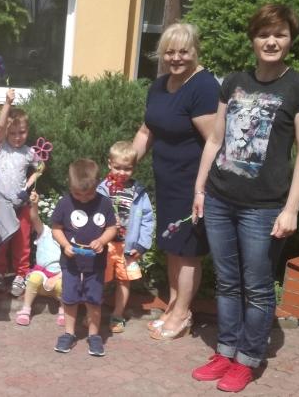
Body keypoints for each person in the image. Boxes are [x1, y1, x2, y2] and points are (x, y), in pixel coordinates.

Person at [190, 4, 299, 392]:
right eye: (264, 34)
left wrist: (291, 209)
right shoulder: (234, 81)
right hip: (219, 198)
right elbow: (215, 138)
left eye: (280, 34)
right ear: (253, 39)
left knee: (258, 288)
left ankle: (247, 359)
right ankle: (226, 351)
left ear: (290, 40)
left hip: (263, 209)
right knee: (228, 282)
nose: (271, 41)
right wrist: (200, 190)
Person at [133, 23, 220, 340]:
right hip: (167, 183)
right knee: (173, 247)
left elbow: (216, 141)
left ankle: (183, 314)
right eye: (169, 52)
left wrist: (202, 189)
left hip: (191, 184)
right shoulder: (160, 85)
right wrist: (124, 164)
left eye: (183, 51)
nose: (176, 58)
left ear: (195, 50)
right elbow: (146, 130)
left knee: (186, 250)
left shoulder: (204, 87)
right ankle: (173, 306)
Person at [51, 160, 117, 357]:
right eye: (78, 193)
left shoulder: (104, 203)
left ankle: (94, 336)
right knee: (69, 298)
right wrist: (65, 245)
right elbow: (56, 229)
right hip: (70, 262)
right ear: (69, 182)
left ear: (98, 182)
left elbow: (112, 228)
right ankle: (68, 333)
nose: (84, 198)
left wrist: (102, 241)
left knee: (93, 299)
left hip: (95, 263)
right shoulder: (64, 203)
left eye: (89, 193)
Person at [0, 88, 44, 297]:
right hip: (0, 203)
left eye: (22, 132)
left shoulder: (29, 152)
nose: (18, 137)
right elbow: (1, 125)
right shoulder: (1, 147)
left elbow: (41, 167)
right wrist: (7, 103)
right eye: (13, 133)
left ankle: (21, 274)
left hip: (21, 204)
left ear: (27, 131)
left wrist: (30, 182)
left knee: (22, 242)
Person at [93, 142, 154, 333]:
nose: (122, 172)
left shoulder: (139, 193)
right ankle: (93, 311)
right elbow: (93, 214)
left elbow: (147, 220)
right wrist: (105, 223)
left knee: (124, 279)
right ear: (109, 164)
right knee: (99, 278)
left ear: (134, 167)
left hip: (127, 246)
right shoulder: (101, 189)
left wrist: (142, 245)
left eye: (127, 169)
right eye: (117, 167)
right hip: (105, 244)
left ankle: (117, 314)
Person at [16, 190, 64, 326]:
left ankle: (64, 311)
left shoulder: (69, 241)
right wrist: (35, 205)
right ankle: (26, 310)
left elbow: (71, 266)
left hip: (58, 281)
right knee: (34, 277)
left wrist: (56, 278)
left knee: (65, 284)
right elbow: (34, 218)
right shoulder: (45, 232)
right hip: (41, 281)